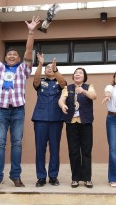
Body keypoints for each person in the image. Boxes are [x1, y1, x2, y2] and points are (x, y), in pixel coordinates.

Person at [0, 12, 39, 191]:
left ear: (19, 59)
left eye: (15, 54)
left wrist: (31, 33)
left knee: (17, 144)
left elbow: (29, 51)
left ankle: (15, 175)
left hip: (18, 110)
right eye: (9, 54)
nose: (12, 55)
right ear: (4, 58)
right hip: (0, 110)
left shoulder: (23, 69)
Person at [58, 67, 97, 188]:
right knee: (74, 151)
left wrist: (83, 91)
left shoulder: (89, 86)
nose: (77, 74)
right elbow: (61, 100)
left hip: (85, 123)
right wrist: (63, 105)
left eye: (80, 73)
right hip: (71, 123)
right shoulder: (67, 88)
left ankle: (87, 178)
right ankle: (75, 178)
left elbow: (94, 96)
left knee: (86, 151)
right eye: (76, 73)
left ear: (84, 77)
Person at [32, 53, 67, 187]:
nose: (49, 69)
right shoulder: (40, 82)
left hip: (56, 119)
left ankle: (53, 176)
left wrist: (56, 69)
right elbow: (35, 81)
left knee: (54, 148)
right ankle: (41, 177)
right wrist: (40, 64)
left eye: (51, 67)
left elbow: (64, 84)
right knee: (40, 149)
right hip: (40, 119)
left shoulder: (59, 82)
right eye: (47, 68)